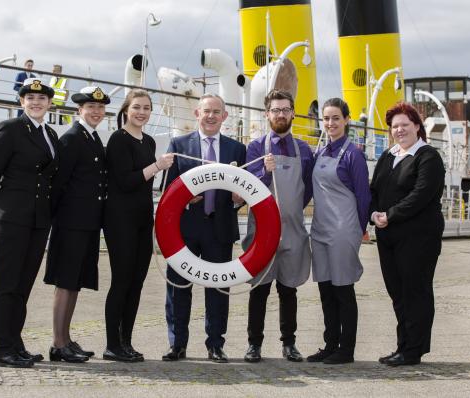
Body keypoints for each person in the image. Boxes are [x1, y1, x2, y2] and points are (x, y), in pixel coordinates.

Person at [0, 78, 59, 368]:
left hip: (38, 219)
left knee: (23, 284)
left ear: (50, 103)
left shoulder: (49, 132)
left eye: (42, 99)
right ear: (21, 102)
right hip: (11, 217)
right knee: (4, 285)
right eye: (30, 98)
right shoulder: (11, 129)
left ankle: (15, 342)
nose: (36, 102)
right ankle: (1, 348)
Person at [162, 93, 246, 363]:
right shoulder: (179, 145)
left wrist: (238, 200)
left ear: (224, 116)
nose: (211, 116)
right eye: (206, 111)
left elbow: (243, 189)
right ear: (197, 114)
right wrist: (184, 198)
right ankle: (178, 344)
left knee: (219, 289)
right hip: (185, 227)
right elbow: (169, 191)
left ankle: (215, 344)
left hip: (220, 227)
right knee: (178, 287)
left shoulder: (236, 149)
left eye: (216, 112)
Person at [370, 102, 445, 367]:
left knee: (416, 290)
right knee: (397, 292)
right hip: (388, 237)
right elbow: (374, 190)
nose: (399, 130)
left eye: (404, 125)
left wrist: (390, 215)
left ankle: (413, 350)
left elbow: (421, 195)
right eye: (394, 126)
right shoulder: (388, 156)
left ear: (416, 126)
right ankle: (403, 345)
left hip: (418, 237)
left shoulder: (428, 157)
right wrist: (373, 214)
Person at [242, 89, 314, 363]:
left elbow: (306, 189)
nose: (280, 114)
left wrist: (291, 210)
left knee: (288, 289)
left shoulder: (305, 150)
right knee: (259, 289)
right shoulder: (256, 148)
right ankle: (254, 344)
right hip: (261, 229)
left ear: (293, 113)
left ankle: (289, 343)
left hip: (292, 230)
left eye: (285, 110)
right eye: (275, 110)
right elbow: (247, 185)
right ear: (267, 114)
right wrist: (265, 171)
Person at [103, 89, 174, 362]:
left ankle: (126, 342)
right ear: (126, 110)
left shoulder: (148, 142)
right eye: (136, 108)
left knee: (137, 282)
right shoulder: (118, 140)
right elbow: (125, 181)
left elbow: (146, 185)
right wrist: (157, 166)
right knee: (121, 280)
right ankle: (112, 344)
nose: (141, 113)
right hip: (119, 219)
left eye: (146, 108)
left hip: (143, 219)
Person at [44, 86, 110, 362]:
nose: (95, 111)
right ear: (79, 110)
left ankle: (66, 339)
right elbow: (58, 184)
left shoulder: (91, 138)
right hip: (71, 223)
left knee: (75, 283)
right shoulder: (72, 138)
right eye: (90, 107)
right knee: (65, 282)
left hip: (87, 223)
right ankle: (58, 344)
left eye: (99, 108)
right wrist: (61, 220)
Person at [307, 97, 371, 365]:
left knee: (343, 290)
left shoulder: (353, 154)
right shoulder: (321, 152)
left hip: (344, 230)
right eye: (326, 118)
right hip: (320, 229)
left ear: (346, 120)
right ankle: (330, 344)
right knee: (325, 290)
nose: (330, 123)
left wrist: (362, 229)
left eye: (335, 118)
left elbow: (364, 195)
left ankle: (347, 349)